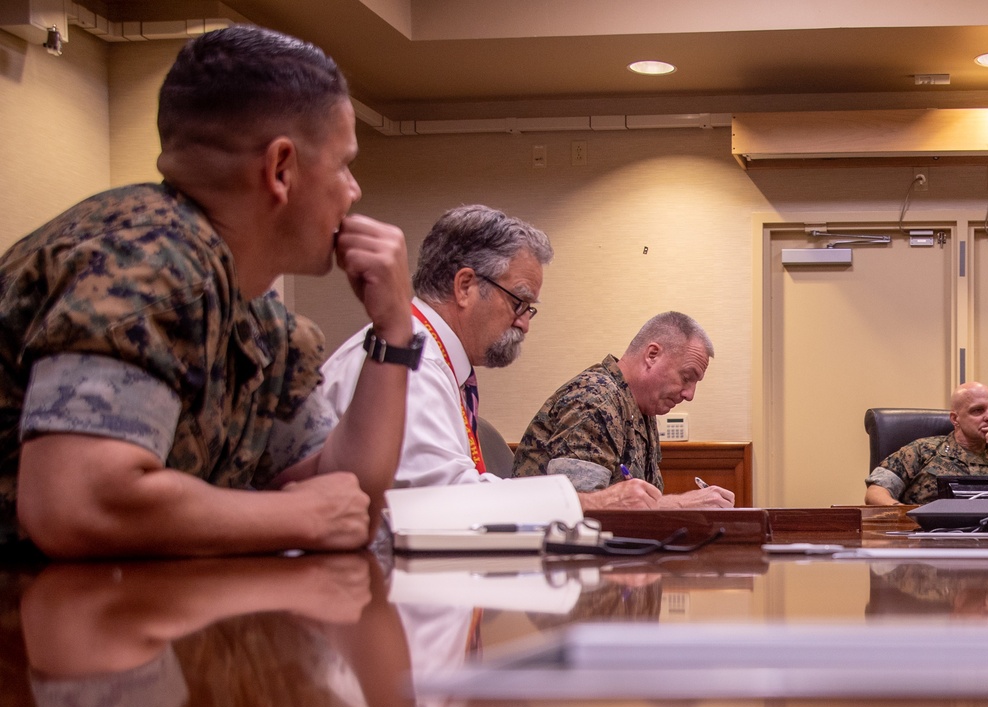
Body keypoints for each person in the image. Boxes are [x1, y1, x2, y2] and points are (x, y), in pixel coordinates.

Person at [0, 25, 416, 558]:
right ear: (281, 169)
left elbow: (343, 492)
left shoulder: (255, 313)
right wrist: (292, 517)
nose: (353, 191)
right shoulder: (146, 263)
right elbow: (74, 503)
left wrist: (394, 331)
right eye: (344, 164)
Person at [318, 204, 551, 487]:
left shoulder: (430, 354)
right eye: (519, 303)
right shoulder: (415, 365)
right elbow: (447, 503)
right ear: (465, 286)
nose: (524, 323)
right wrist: (581, 502)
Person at [511, 311, 736, 509]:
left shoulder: (641, 407)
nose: (690, 394)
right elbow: (583, 512)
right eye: (686, 378)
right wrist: (680, 504)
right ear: (652, 355)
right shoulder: (595, 400)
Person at [865, 381, 988, 507]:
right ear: (955, 419)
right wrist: (909, 516)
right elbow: (875, 493)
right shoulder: (923, 451)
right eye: (978, 410)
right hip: (928, 550)